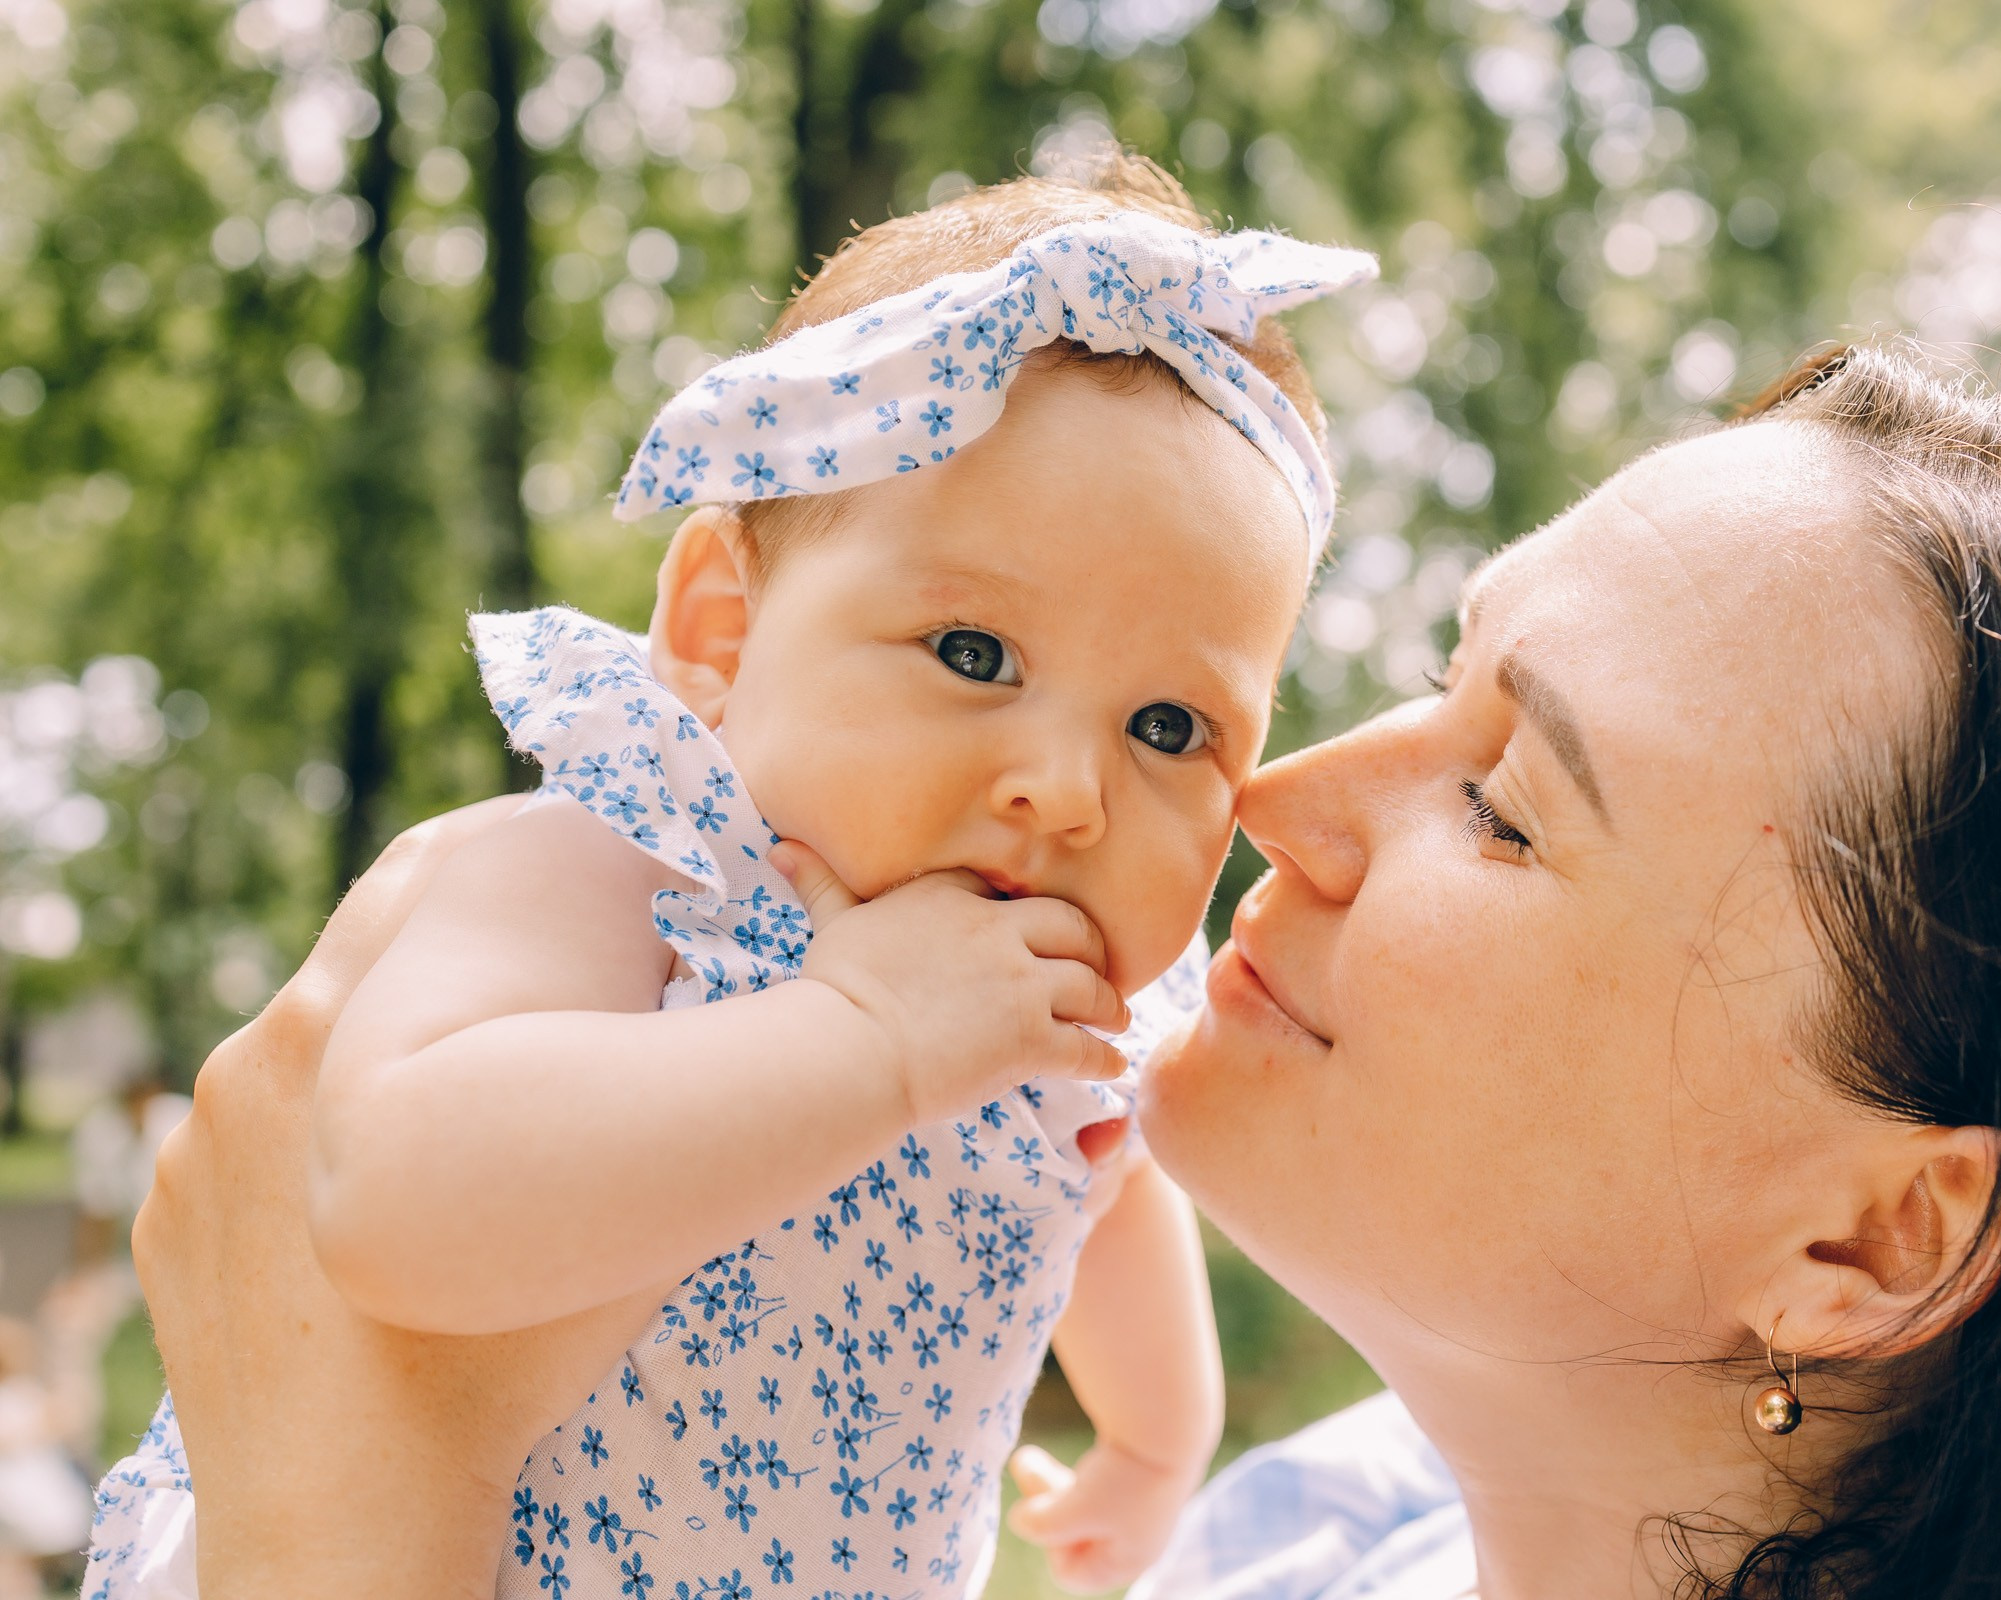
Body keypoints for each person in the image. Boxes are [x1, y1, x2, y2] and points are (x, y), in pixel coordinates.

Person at [126, 344, 2001, 1599]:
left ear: (1873, 1230)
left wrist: (349, 1526)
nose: (1275, 793)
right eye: (1427, 675)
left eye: (1510, 802)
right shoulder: (1309, 1542)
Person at [84, 155, 1375, 1600]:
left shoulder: (1060, 1016)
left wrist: (1151, 1441)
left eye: (1167, 729)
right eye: (972, 655)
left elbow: (1100, 1181)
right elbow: (386, 1200)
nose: (1067, 793)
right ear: (717, 631)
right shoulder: (624, 874)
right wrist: (867, 1042)